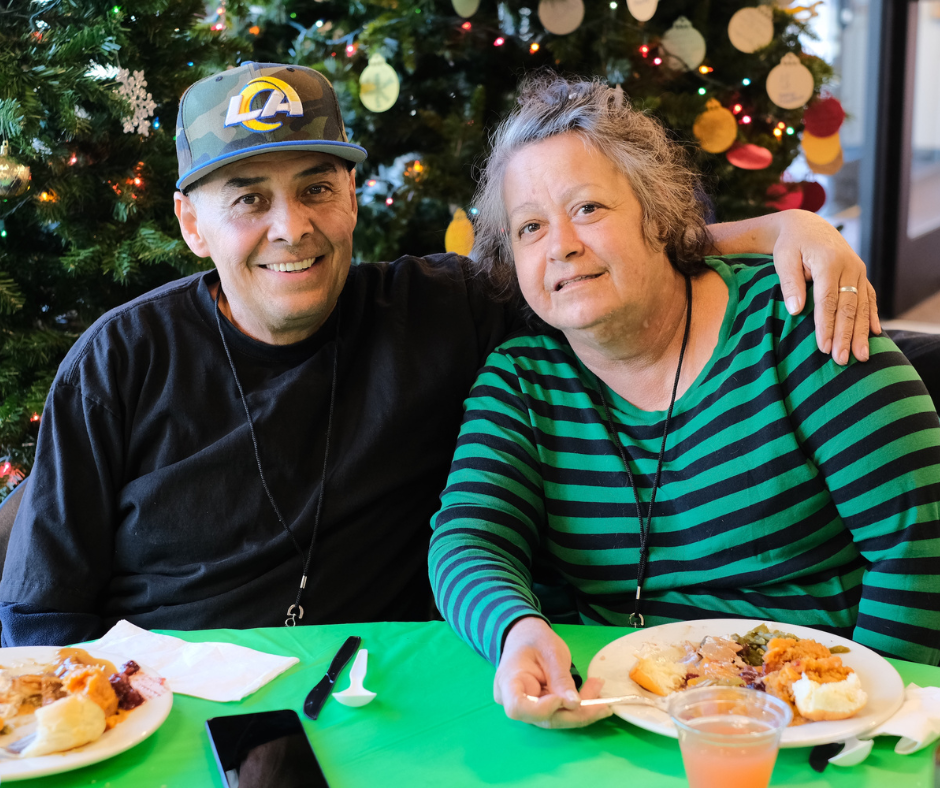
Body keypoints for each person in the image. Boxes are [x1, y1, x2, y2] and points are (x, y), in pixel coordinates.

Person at [0, 63, 878, 647]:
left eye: (316, 189)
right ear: (193, 223)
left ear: (353, 197)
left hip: (375, 702)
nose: (291, 228)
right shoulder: (117, 362)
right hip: (165, 705)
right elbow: (42, 615)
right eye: (248, 199)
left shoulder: (439, 310)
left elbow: (590, 258)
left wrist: (779, 229)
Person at [428, 73, 940, 730]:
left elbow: (918, 536)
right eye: (530, 226)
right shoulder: (521, 381)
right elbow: (469, 539)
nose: (561, 245)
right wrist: (515, 629)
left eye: (589, 209)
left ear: (657, 214)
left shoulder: (794, 322)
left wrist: (862, 718)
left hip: (807, 720)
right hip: (622, 714)